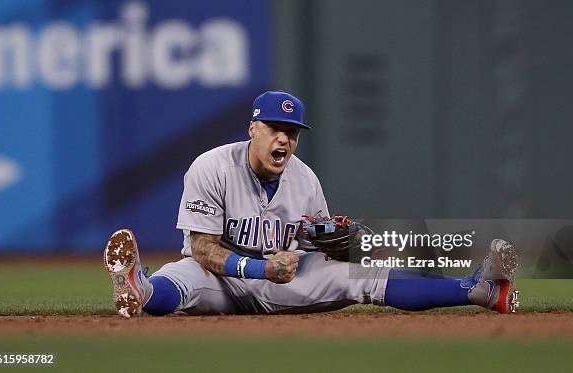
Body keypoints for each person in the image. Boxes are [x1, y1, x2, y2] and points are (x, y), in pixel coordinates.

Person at [103, 91, 519, 318]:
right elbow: (203, 247)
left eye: (292, 132)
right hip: (221, 278)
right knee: (179, 278)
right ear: (253, 128)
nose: (283, 139)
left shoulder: (304, 179)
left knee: (361, 274)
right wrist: (258, 267)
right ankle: (140, 289)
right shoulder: (211, 167)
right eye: (274, 129)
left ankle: (479, 289)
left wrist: (342, 240)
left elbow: (318, 244)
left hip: (285, 280)